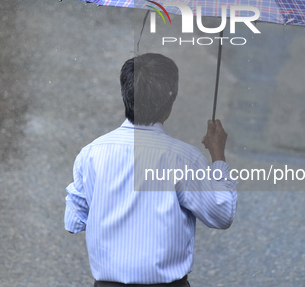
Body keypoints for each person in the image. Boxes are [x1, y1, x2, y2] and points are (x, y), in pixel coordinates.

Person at [65, 53, 238, 286]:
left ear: (125, 94)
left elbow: (74, 221)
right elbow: (221, 214)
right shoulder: (184, 158)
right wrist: (218, 155)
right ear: (170, 103)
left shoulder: (91, 153)